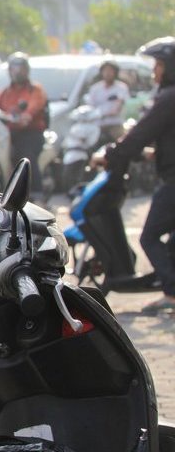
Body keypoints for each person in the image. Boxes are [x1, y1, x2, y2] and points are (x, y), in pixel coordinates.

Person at [96, 37, 175, 315]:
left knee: (150, 236)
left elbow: (140, 133)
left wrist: (111, 154)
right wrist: (157, 153)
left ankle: (171, 294)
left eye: (160, 65)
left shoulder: (168, 98)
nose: (155, 72)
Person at [0, 52, 49, 196]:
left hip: (31, 133)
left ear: (27, 70)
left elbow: (34, 106)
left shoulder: (35, 89)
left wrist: (26, 116)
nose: (17, 72)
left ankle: (37, 192)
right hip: (8, 134)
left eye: (21, 68)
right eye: (14, 68)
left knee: (25, 155)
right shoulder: (5, 92)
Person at [86, 58, 130, 145]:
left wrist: (106, 113)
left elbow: (118, 105)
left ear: (115, 73)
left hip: (114, 125)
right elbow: (91, 106)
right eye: (105, 70)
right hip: (98, 125)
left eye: (110, 70)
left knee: (122, 144)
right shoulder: (95, 88)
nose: (107, 73)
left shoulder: (121, 87)